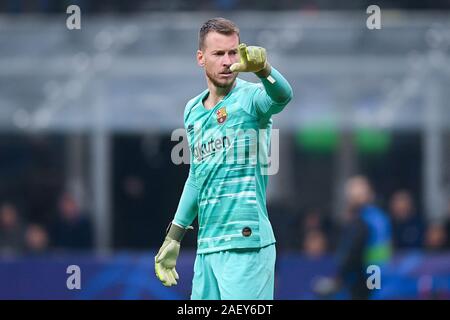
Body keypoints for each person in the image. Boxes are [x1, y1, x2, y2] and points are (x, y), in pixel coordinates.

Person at [154, 17, 293, 300]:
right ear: (201, 58)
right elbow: (197, 176)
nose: (228, 61)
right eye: (219, 54)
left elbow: (283, 97)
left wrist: (265, 70)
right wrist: (174, 236)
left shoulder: (252, 98)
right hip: (207, 247)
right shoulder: (192, 110)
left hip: (246, 246)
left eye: (233, 52)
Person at [314, 176, 392, 300]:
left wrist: (338, 279)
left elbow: (351, 255)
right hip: (379, 277)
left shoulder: (361, 222)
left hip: (363, 280)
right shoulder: (380, 218)